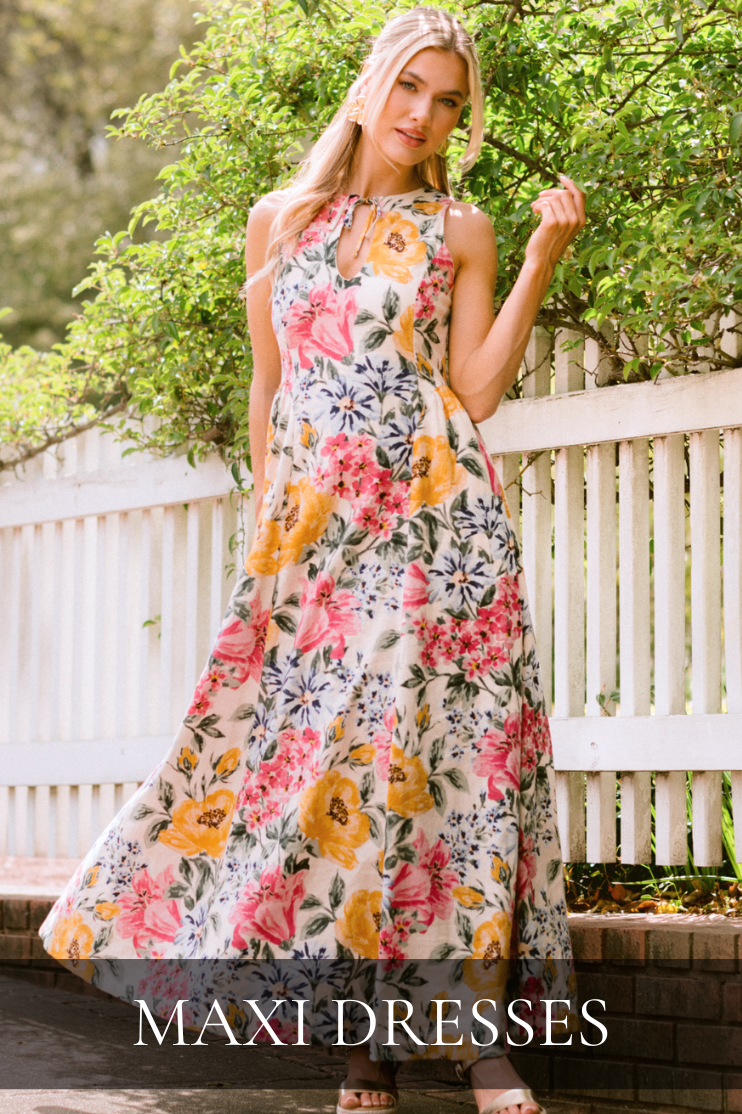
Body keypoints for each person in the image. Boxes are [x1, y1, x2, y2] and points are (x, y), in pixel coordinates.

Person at [40, 8, 585, 1114]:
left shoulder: (459, 228)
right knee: (319, 777)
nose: (424, 114)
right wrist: (268, 536)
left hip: (434, 531)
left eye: (448, 102)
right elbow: (269, 385)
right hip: (313, 546)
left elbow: (475, 391)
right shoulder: (278, 222)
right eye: (411, 87)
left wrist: (539, 259)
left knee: (439, 770)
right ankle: (361, 1053)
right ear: (370, 83)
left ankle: (482, 1053)